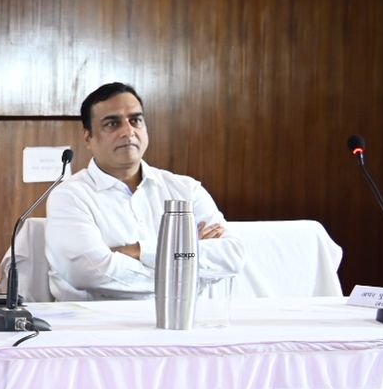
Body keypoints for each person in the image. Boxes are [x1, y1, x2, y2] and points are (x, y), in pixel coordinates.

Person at [45, 81, 244, 300]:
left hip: (184, 317)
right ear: (88, 137)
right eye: (112, 124)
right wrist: (188, 270)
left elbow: (231, 256)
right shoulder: (69, 196)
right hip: (100, 320)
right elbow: (88, 272)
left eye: (135, 120)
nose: (128, 131)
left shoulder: (186, 189)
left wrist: (138, 250)